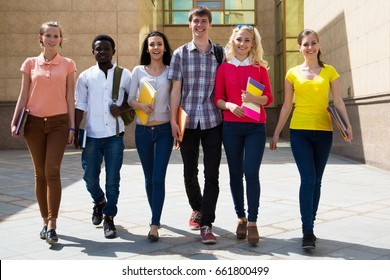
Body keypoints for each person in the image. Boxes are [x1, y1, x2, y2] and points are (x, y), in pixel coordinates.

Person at [269, 29, 353, 249]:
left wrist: (347, 124)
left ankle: (310, 223)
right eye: (305, 44)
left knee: (317, 181)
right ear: (299, 47)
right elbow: (287, 105)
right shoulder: (292, 73)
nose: (310, 47)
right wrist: (277, 131)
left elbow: (338, 101)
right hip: (300, 132)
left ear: (319, 45)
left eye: (313, 43)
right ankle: (307, 231)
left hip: (324, 132)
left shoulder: (330, 71)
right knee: (308, 180)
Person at [10, 21, 76, 244]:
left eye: (56, 35)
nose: (52, 39)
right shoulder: (29, 64)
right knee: (39, 173)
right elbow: (23, 94)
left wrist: (72, 126)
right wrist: (15, 119)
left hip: (58, 123)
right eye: (48, 35)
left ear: (61, 40)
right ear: (40, 38)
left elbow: (70, 97)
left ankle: (52, 223)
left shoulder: (68, 64)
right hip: (34, 124)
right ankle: (43, 221)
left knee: (52, 171)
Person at [214, 25, 273, 245]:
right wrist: (229, 105)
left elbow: (268, 98)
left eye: (247, 40)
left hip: (256, 127)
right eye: (239, 39)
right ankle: (241, 217)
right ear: (233, 41)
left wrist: (253, 98)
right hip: (231, 127)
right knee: (235, 173)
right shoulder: (224, 68)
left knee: (251, 172)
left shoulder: (260, 69)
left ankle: (253, 222)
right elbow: (218, 98)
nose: (242, 44)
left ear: (253, 43)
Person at [168, 6, 223, 244]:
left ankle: (206, 223)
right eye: (195, 21)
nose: (199, 25)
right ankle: (197, 207)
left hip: (213, 121)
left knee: (212, 174)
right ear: (189, 24)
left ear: (210, 24)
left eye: (204, 21)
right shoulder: (180, 54)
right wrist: (172, 120)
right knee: (190, 173)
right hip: (187, 122)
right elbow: (175, 90)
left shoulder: (220, 54)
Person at [74, 34, 132, 239]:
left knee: (112, 180)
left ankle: (109, 217)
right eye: (98, 49)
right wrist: (74, 130)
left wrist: (121, 108)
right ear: (93, 52)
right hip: (92, 135)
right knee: (89, 177)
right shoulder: (85, 76)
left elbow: (133, 100)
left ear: (113, 52)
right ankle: (99, 201)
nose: (102, 52)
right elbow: (79, 105)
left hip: (115, 135)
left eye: (106, 49)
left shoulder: (124, 74)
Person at [128, 31, 173, 242]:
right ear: (147, 48)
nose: (156, 47)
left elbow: (176, 100)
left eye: (159, 44)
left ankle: (154, 223)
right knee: (148, 178)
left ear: (165, 48)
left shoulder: (171, 72)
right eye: (152, 44)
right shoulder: (137, 71)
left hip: (164, 130)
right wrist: (140, 105)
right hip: (143, 130)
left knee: (158, 177)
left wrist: (176, 127)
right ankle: (156, 213)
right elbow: (129, 100)